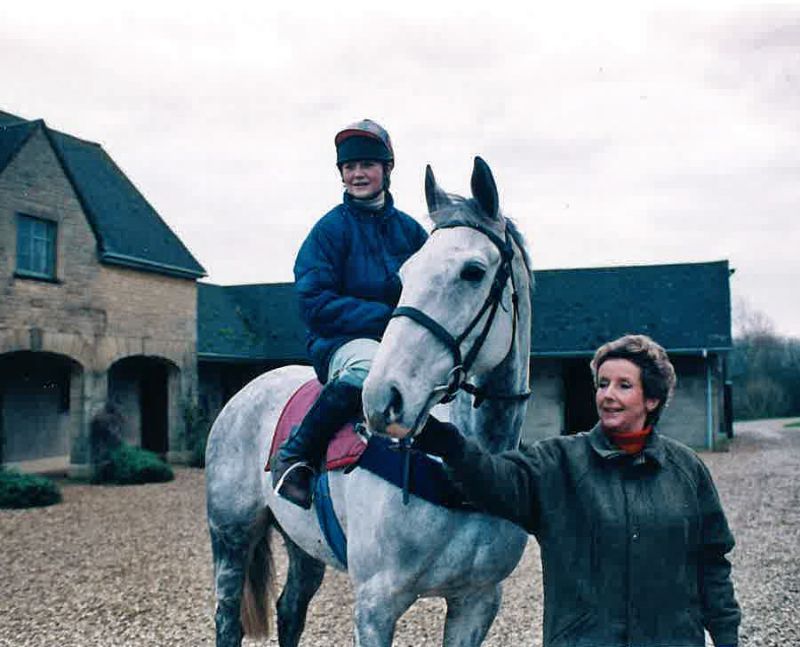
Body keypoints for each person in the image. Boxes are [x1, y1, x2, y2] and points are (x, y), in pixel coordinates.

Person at [401, 334, 741, 647]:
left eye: (624, 385)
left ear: (652, 399)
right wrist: (451, 445)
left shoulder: (686, 469)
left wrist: (726, 636)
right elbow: (495, 479)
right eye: (603, 384)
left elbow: (711, 561)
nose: (608, 395)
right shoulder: (558, 462)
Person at [272, 119, 428, 509]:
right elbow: (313, 303)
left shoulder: (412, 233)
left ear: (387, 169)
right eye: (349, 166)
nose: (357, 174)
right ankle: (295, 456)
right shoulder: (328, 231)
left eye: (367, 165)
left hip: (402, 342)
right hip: (340, 344)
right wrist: (388, 320)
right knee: (371, 370)